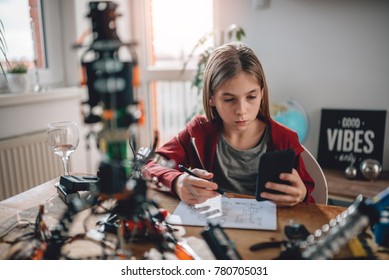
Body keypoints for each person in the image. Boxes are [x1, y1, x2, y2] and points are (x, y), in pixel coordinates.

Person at [144, 42, 314, 206]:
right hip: (209, 228)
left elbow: (307, 194)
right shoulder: (197, 133)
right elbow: (149, 164)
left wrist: (302, 194)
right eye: (229, 99)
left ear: (262, 93)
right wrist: (177, 181)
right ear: (211, 98)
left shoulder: (285, 139)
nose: (241, 110)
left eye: (251, 97)